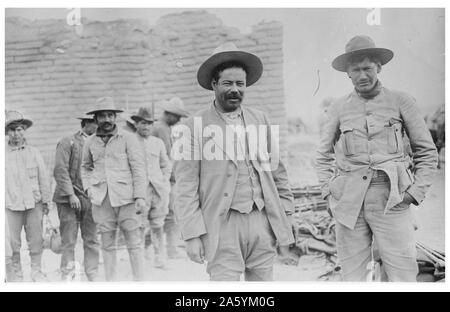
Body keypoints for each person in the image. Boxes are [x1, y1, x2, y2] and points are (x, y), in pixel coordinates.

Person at [316, 35, 438, 282]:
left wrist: (414, 194)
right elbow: (322, 156)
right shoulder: (339, 107)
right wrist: (329, 193)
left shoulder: (401, 101)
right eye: (356, 70)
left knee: (402, 274)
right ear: (348, 74)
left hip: (392, 200)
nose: (362, 76)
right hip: (349, 202)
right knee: (352, 278)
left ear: (379, 67)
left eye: (367, 68)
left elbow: (427, 151)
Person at [172, 42, 296, 281]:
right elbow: (185, 187)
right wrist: (191, 235)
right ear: (214, 84)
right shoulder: (192, 126)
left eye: (240, 84)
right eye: (227, 83)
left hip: (261, 221)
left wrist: (286, 215)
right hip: (221, 224)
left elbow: (278, 172)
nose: (235, 90)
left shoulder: (260, 119)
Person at [81, 97, 147, 281]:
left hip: (127, 199)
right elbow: (85, 167)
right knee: (108, 245)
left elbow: (138, 168)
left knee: (134, 244)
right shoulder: (90, 142)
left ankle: (140, 282)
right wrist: (88, 188)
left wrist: (140, 196)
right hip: (102, 201)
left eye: (111, 115)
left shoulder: (128, 138)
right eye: (102, 116)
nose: (107, 120)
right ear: (95, 119)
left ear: (115, 117)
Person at [5, 111, 51, 282]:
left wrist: (46, 201)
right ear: (6, 132)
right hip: (11, 206)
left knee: (36, 240)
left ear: (24, 131)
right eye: (12, 130)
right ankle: (16, 275)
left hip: (34, 205)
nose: (16, 134)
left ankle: (36, 271)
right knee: (14, 243)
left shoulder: (34, 152)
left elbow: (43, 178)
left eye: (19, 130)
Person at [53, 114, 100, 281]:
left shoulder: (100, 143)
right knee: (69, 240)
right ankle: (68, 274)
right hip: (68, 199)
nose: (98, 125)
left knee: (92, 239)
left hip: (91, 198)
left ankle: (92, 273)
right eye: (95, 122)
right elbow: (60, 170)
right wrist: (71, 195)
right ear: (85, 124)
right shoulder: (67, 142)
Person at [132, 107, 172, 268]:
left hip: (158, 191)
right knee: (139, 225)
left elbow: (166, 165)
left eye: (149, 124)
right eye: (143, 123)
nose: (146, 127)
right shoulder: (130, 142)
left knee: (157, 224)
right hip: (139, 192)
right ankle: (139, 259)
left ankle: (159, 257)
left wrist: (164, 181)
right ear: (136, 124)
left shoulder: (158, 143)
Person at [150, 97, 189, 259]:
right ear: (169, 114)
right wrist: (175, 177)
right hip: (162, 179)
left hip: (160, 178)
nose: (179, 120)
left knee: (162, 215)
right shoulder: (162, 129)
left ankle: (158, 248)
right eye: (177, 116)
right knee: (169, 214)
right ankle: (171, 250)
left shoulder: (161, 127)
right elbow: (168, 157)